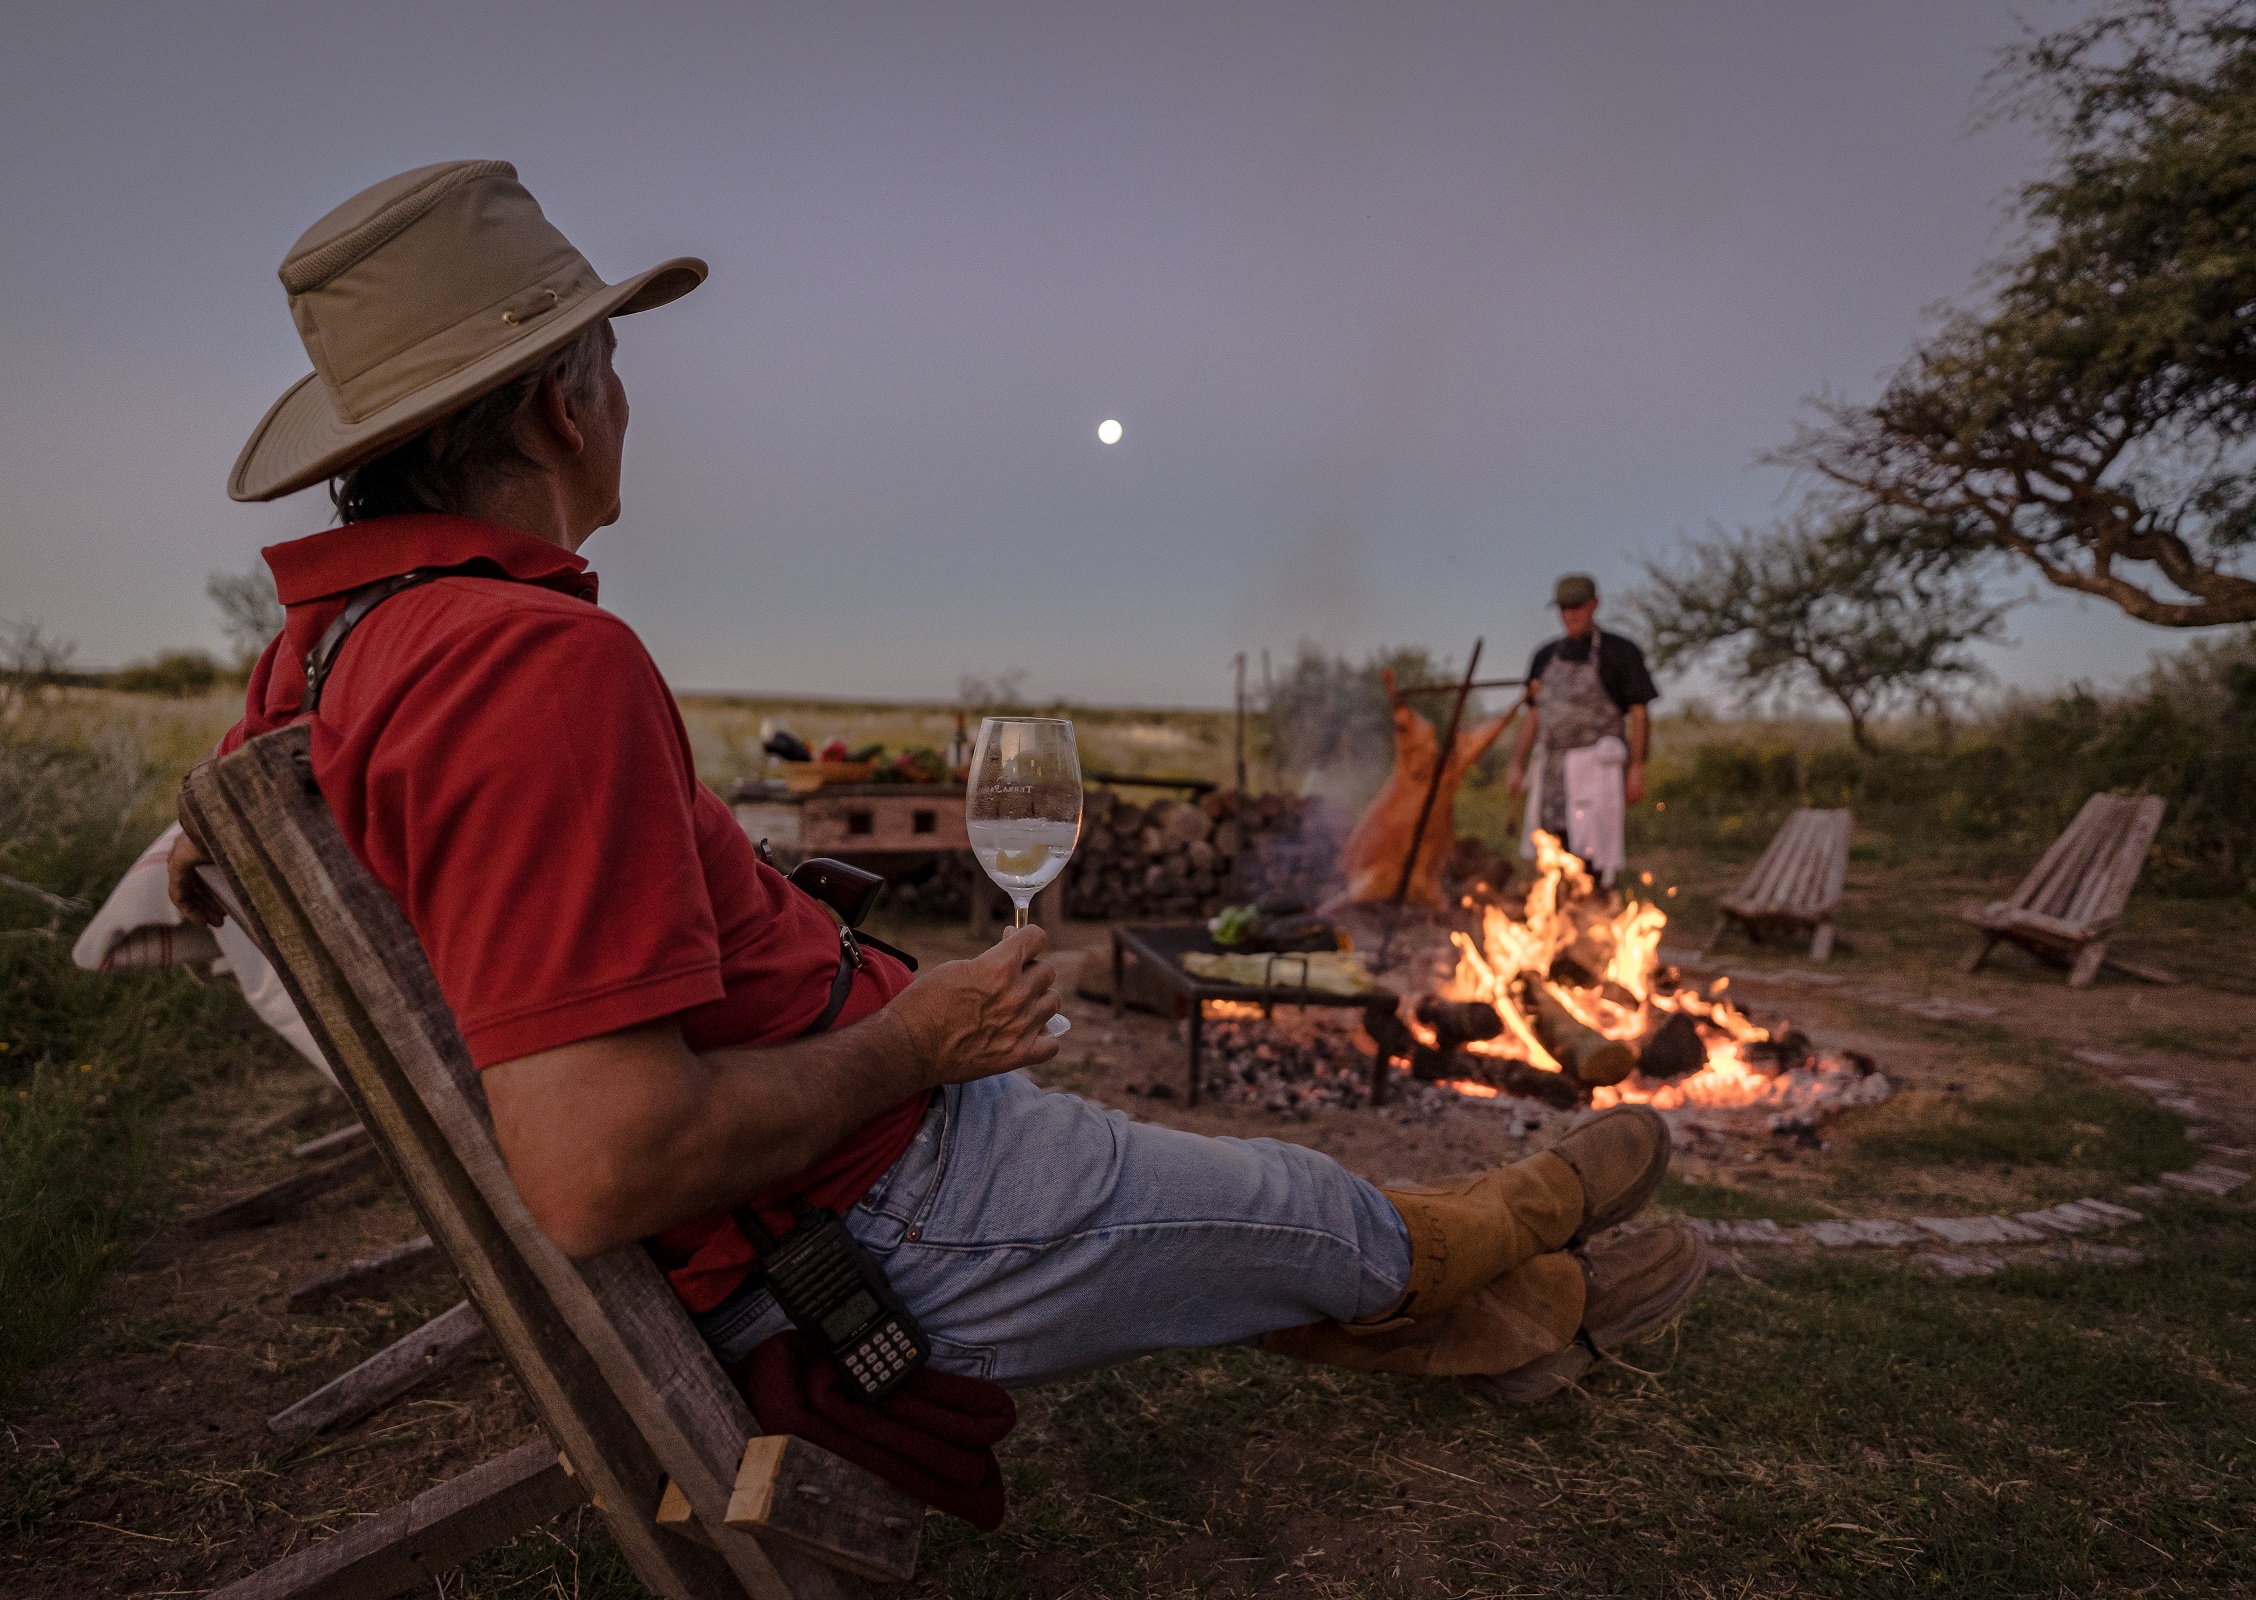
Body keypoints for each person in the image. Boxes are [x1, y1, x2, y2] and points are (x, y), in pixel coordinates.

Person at [169, 161, 1708, 1418]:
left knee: (1224, 1222)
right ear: (560, 409)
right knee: (1297, 1203)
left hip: (831, 1172)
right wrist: (919, 1039)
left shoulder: (328, 652)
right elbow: (602, 1165)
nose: (629, 404)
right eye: (612, 366)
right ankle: (1517, 1241)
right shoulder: (529, 664)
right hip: (861, 1216)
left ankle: (1506, 1309)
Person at [1508, 574, 1660, 883]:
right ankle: (1555, 908)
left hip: (1596, 772)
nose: (1570, 615)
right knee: (1552, 847)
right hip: (1551, 771)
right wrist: (1516, 763)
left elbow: (1640, 714)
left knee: (1594, 851)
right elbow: (1532, 714)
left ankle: (1598, 904)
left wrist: (1636, 768)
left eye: (1576, 607)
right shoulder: (1544, 656)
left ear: (1594, 605)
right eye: (1564, 608)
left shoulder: (1620, 652)